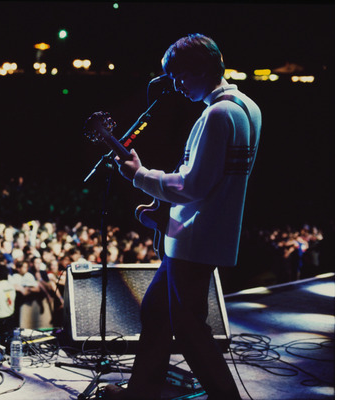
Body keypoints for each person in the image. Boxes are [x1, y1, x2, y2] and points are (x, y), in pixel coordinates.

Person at [104, 34, 261, 400]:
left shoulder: (217, 115)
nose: (175, 85)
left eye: (179, 75)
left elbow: (192, 186)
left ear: (203, 69)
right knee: (158, 312)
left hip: (194, 238)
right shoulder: (249, 107)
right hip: (207, 234)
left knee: (190, 331)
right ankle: (141, 391)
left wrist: (139, 176)